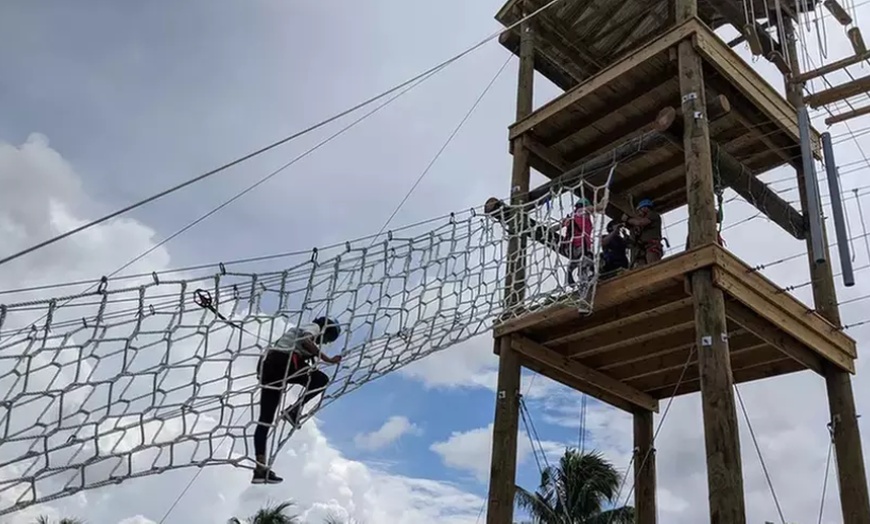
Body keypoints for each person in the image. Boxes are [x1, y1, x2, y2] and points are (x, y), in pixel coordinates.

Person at [252, 316, 342, 484]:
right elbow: (306, 341)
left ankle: (260, 469)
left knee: (265, 421)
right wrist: (327, 359)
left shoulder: (291, 337)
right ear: (325, 329)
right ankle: (294, 410)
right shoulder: (314, 326)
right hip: (283, 361)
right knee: (320, 380)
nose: (324, 342)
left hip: (269, 369)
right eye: (327, 338)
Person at [559, 197, 604, 286]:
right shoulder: (582, 211)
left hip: (570, 247)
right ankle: (585, 281)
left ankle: (572, 272)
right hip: (580, 245)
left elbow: (561, 224)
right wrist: (603, 200)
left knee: (580, 260)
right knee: (586, 262)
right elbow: (598, 208)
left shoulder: (572, 217)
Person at [622, 199, 663, 268]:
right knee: (642, 268)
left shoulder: (652, 215)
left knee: (653, 266)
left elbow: (640, 222)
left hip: (651, 246)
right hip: (643, 249)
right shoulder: (645, 222)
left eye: (640, 210)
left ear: (645, 208)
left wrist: (628, 219)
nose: (639, 213)